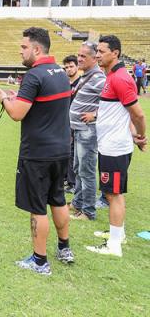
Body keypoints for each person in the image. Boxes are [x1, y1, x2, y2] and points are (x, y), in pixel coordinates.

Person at [0, 27, 74, 275]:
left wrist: (5, 100)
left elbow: (17, 114)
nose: (21, 51)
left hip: (38, 153)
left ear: (37, 49)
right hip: (61, 149)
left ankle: (39, 261)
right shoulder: (61, 72)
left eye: (24, 47)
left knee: (38, 207)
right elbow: (42, 103)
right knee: (58, 199)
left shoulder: (33, 75)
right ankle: (64, 248)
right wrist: (19, 97)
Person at [87, 35, 146, 257]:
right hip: (110, 144)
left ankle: (114, 245)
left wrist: (141, 135)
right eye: (98, 51)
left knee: (113, 194)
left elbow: (137, 114)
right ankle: (117, 234)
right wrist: (134, 134)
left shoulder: (120, 78)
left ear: (116, 53)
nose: (98, 55)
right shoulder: (112, 76)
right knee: (114, 193)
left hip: (114, 148)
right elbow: (121, 114)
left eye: (102, 51)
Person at [68, 43, 105, 221]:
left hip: (88, 131)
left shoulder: (99, 78)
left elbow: (115, 102)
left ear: (94, 58)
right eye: (78, 55)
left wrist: (95, 114)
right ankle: (77, 203)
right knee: (78, 168)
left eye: (83, 56)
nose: (79, 59)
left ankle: (88, 212)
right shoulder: (87, 76)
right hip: (79, 130)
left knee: (87, 171)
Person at [63, 54, 79, 194]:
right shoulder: (65, 84)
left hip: (76, 124)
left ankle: (73, 183)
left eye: (71, 66)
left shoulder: (81, 83)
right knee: (66, 152)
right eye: (66, 67)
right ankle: (66, 179)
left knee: (73, 153)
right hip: (65, 123)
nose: (68, 69)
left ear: (77, 67)